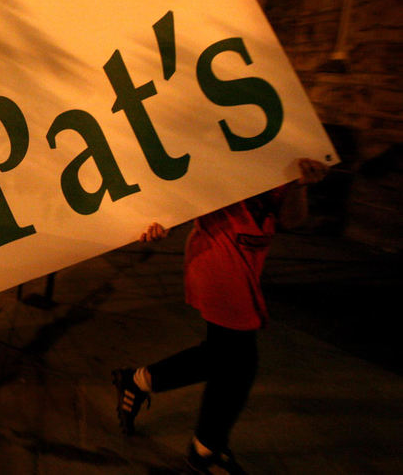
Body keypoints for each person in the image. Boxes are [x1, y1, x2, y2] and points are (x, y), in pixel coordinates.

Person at [113, 158, 329, 474]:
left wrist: (300, 185)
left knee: (224, 356)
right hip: (217, 262)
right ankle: (205, 448)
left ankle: (138, 381)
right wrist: (159, 222)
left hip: (247, 264)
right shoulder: (220, 147)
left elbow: (292, 220)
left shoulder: (282, 153)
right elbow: (182, 186)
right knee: (240, 360)